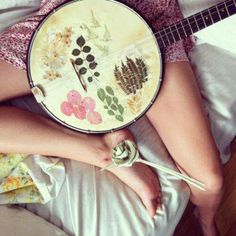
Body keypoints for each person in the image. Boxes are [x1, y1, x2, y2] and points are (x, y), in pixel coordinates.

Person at [0, 0, 223, 235]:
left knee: (210, 183)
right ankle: (100, 151)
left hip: (146, 24)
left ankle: (206, 222)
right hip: (68, 21)